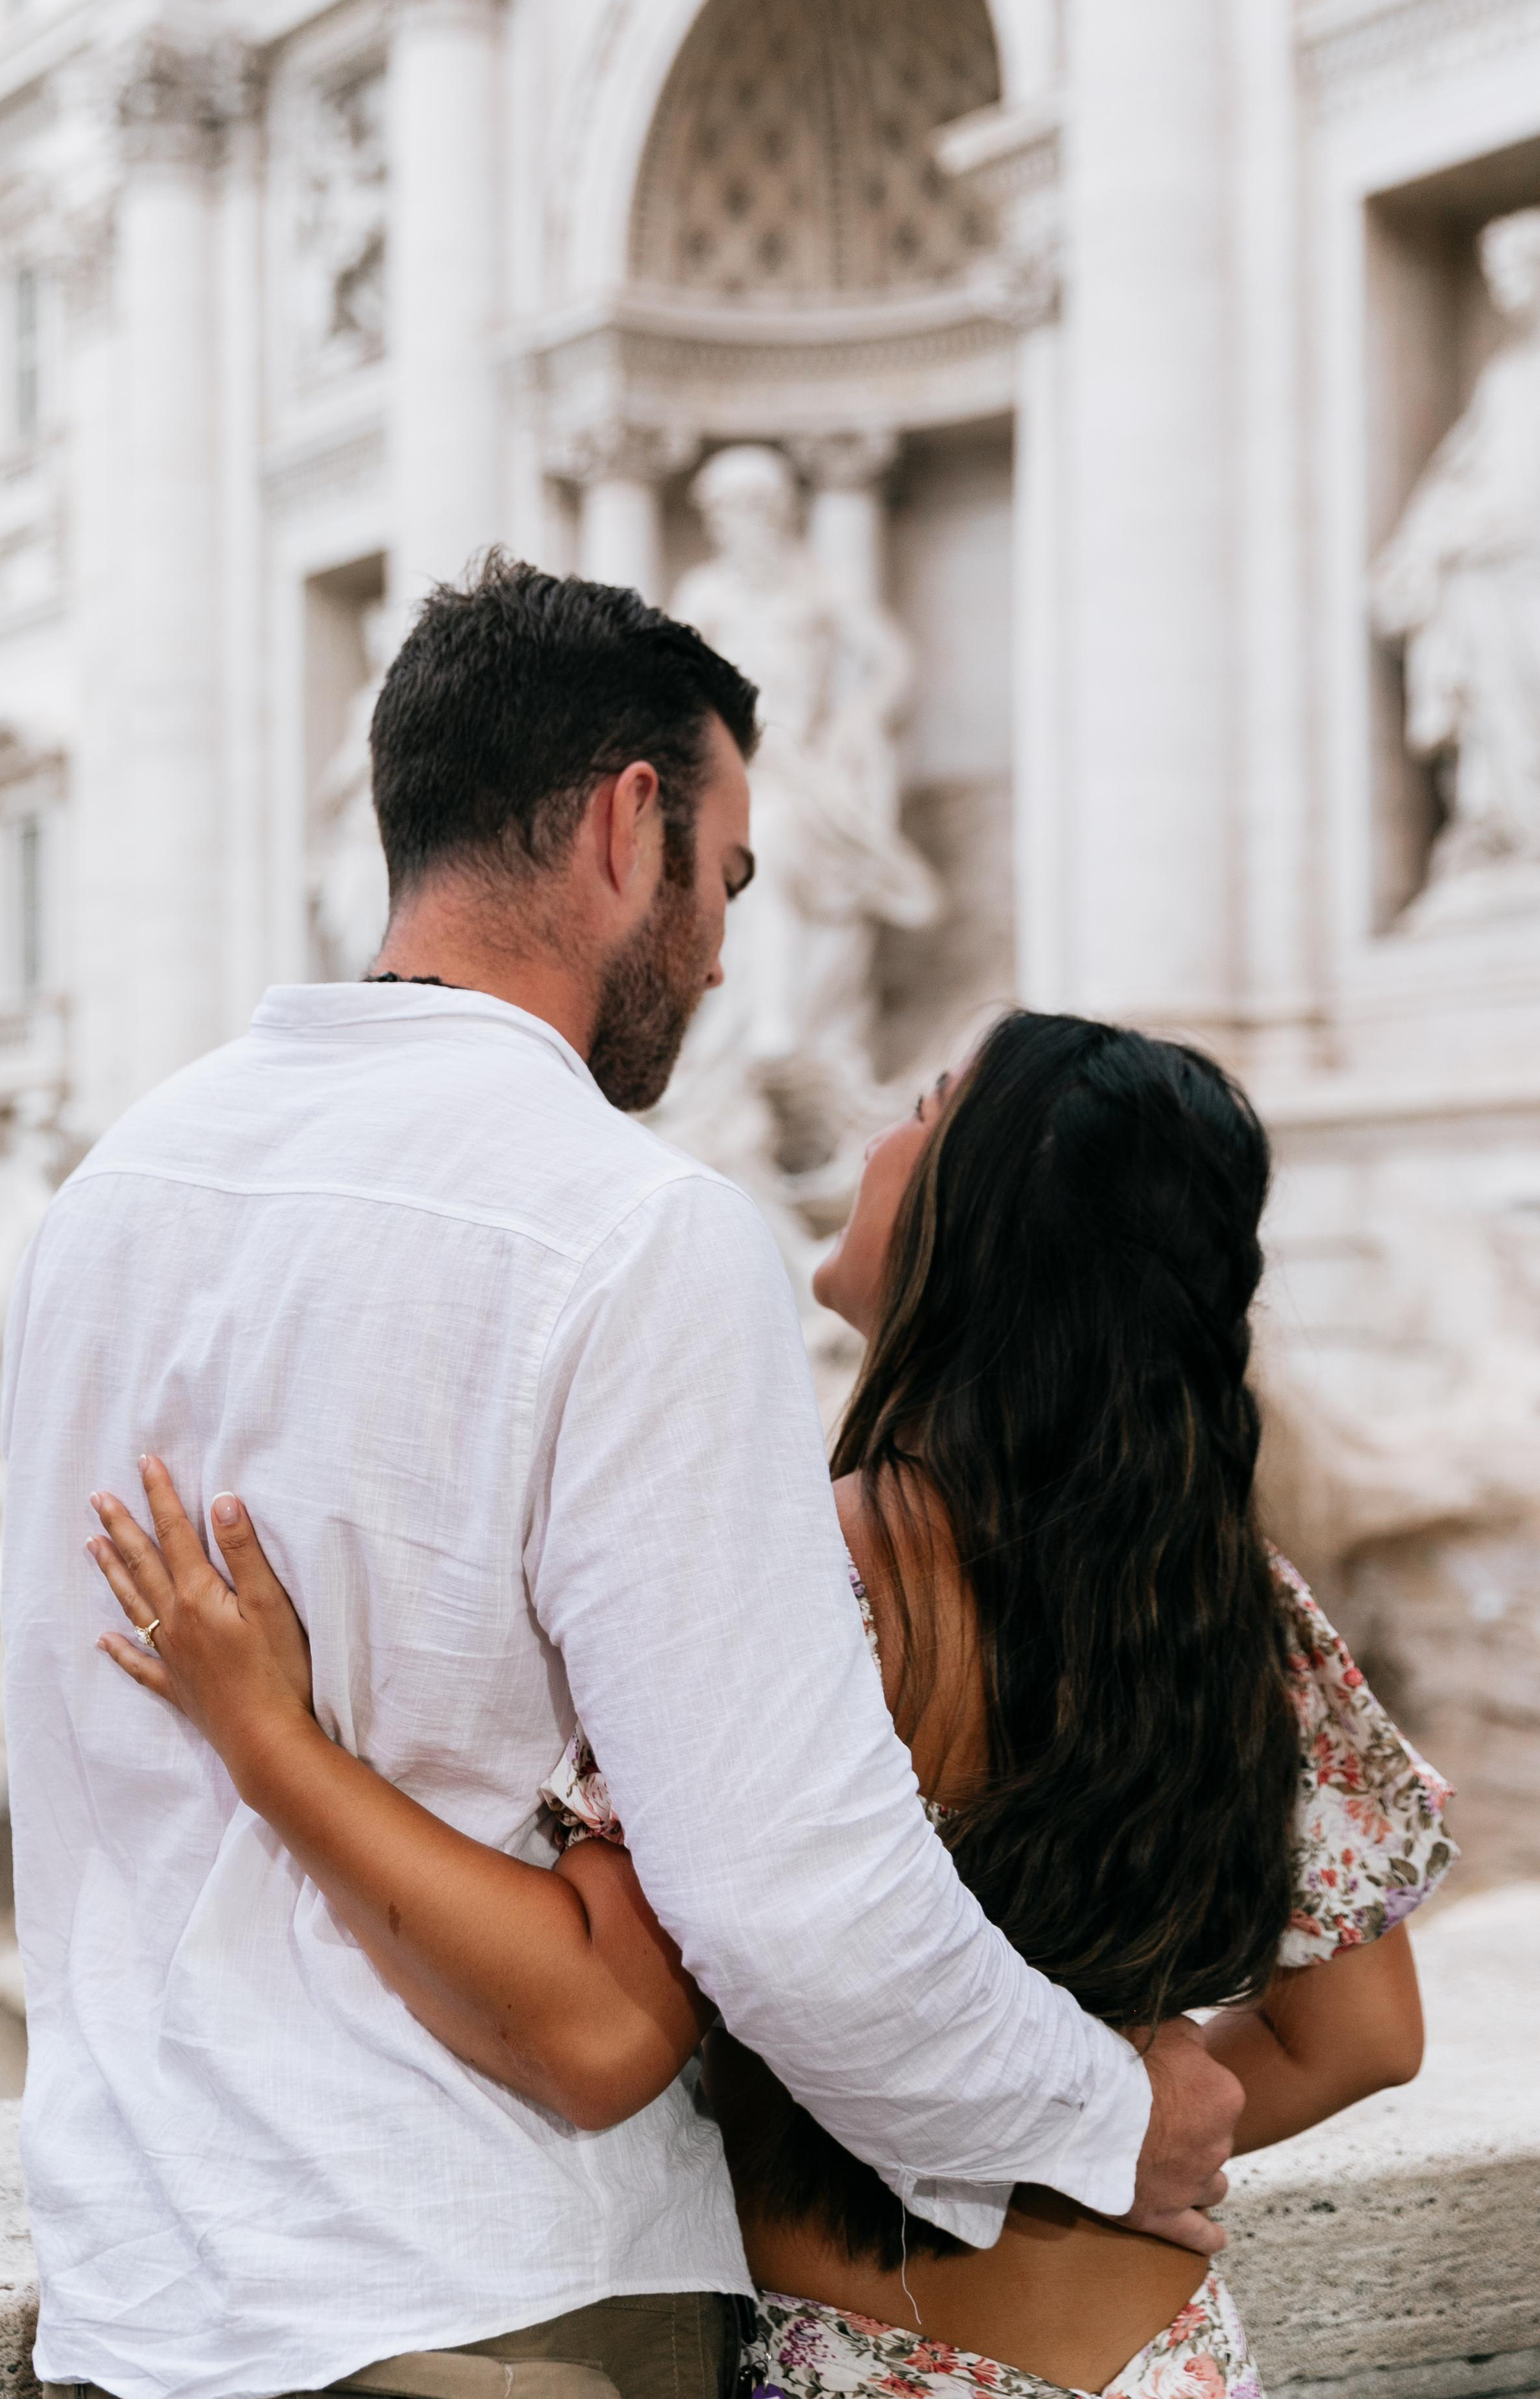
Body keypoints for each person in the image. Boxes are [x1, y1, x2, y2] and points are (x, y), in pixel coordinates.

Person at [3, 561, 1238, 2399]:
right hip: (485, 2296)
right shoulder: (634, 1231)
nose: (726, 955)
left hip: (138, 2302)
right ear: (624, 823)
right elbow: (788, 1889)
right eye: (724, 880)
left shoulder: (108, 1200)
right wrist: (1099, 2113)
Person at [86, 1013, 1456, 2399]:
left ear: (983, 1221)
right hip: (1174, 2358)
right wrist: (1102, 2152)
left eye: (921, 1112)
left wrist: (270, 1739)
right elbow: (1361, 2036)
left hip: (882, 2366)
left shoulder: (808, 1585)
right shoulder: (1232, 1603)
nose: (872, 1141)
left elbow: (592, 2027)